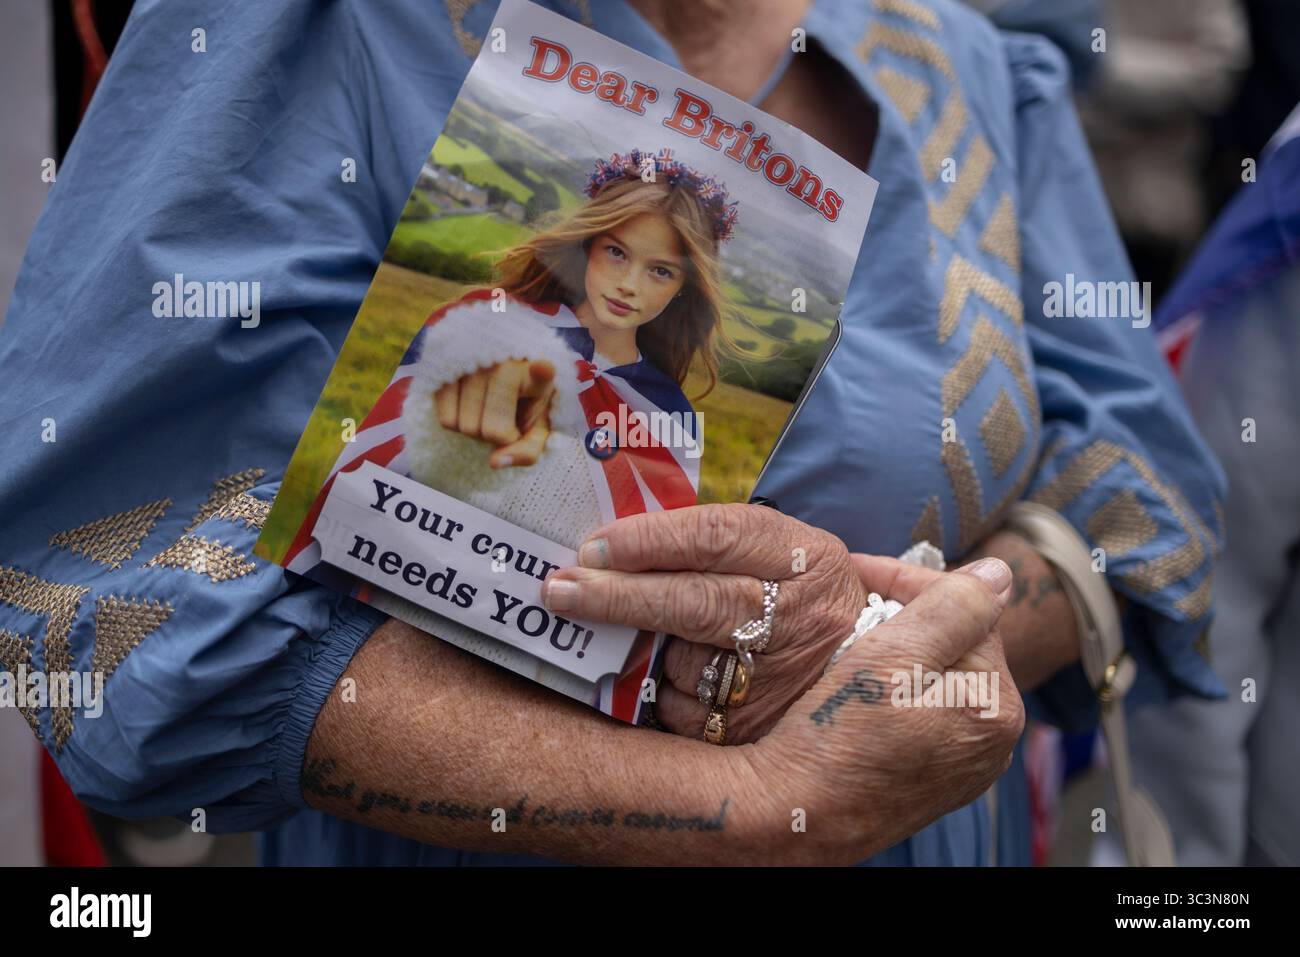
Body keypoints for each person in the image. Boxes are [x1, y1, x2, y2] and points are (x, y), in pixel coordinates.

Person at [0, 0, 1224, 867]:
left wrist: (878, 655)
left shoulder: (960, 61)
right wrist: (751, 802)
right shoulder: (313, 31)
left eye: (657, 268)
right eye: (612, 258)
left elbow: (1137, 484)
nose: (630, 286)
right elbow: (106, 578)